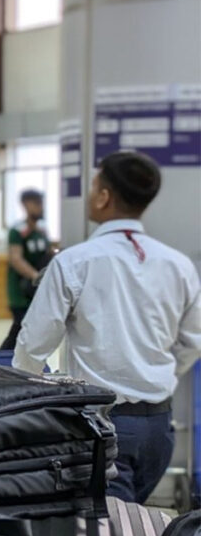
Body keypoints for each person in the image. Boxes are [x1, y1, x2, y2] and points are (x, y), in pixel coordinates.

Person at [14, 152, 201, 505]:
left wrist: (24, 396)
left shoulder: (74, 262)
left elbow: (34, 343)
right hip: (159, 427)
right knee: (131, 519)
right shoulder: (178, 265)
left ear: (103, 197)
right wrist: (153, 373)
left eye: (93, 186)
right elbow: (194, 341)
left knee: (111, 529)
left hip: (103, 427)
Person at [1, 190, 50, 350]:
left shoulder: (42, 231)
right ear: (26, 205)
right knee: (20, 331)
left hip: (37, 292)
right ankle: (0, 359)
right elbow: (16, 259)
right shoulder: (18, 231)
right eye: (36, 203)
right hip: (21, 292)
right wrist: (35, 276)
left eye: (41, 203)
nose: (41, 207)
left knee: (28, 332)